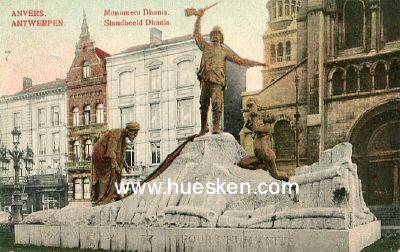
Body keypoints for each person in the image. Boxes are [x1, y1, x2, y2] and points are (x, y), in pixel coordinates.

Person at [191, 8, 266, 136]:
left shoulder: (224, 51)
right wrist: (199, 17)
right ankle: (204, 127)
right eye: (213, 34)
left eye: (218, 34)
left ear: (221, 37)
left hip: (217, 81)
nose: (215, 36)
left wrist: (258, 63)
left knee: (216, 104)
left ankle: (216, 126)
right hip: (205, 79)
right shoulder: (206, 47)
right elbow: (196, 35)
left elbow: (241, 60)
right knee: (203, 104)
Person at [238, 98, 289, 182]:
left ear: (271, 120)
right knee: (242, 163)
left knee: (275, 174)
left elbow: (256, 129)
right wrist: (250, 115)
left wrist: (254, 115)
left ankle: (286, 177)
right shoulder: (262, 126)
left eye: (268, 116)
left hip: (267, 156)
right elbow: (248, 127)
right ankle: (262, 167)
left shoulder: (268, 128)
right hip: (259, 156)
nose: (266, 115)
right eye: (266, 115)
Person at [91, 121, 140, 205]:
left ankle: (114, 194)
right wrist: (116, 166)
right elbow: (110, 152)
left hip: (107, 154)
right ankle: (105, 198)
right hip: (100, 155)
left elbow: (120, 154)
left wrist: (125, 165)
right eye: (135, 133)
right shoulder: (116, 134)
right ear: (129, 130)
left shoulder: (123, 138)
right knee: (112, 172)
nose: (135, 135)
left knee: (118, 170)